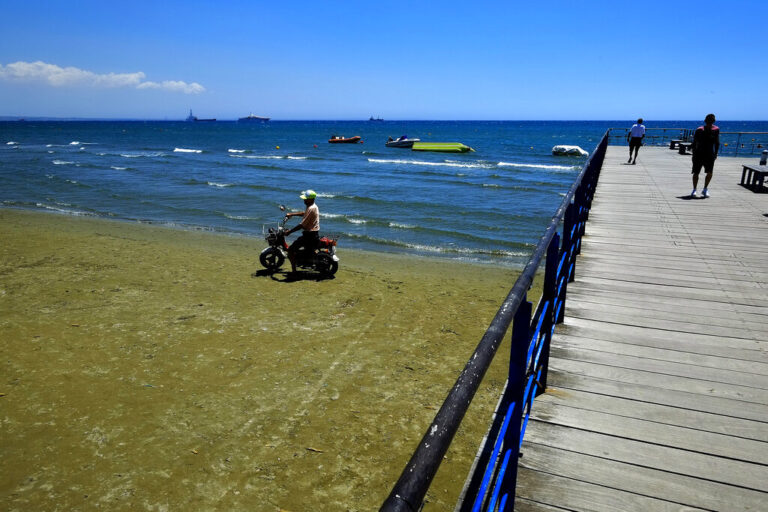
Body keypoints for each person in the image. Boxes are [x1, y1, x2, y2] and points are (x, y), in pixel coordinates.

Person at [285, 189, 320, 273]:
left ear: (311, 199)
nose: (304, 200)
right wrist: (292, 214)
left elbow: (302, 225)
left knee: (291, 250)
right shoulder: (312, 206)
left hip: (309, 235)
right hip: (312, 233)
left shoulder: (311, 208)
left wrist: (289, 232)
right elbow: (304, 213)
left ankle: (294, 271)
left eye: (306, 199)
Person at [690, 114, 720, 198]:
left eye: (711, 121)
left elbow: (717, 142)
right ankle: (694, 189)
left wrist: (716, 153)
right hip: (699, 154)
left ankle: (705, 189)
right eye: (708, 121)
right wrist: (693, 154)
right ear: (705, 121)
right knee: (696, 172)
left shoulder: (716, 129)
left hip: (710, 154)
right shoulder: (699, 130)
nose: (709, 123)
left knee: (710, 172)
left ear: (713, 121)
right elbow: (694, 143)